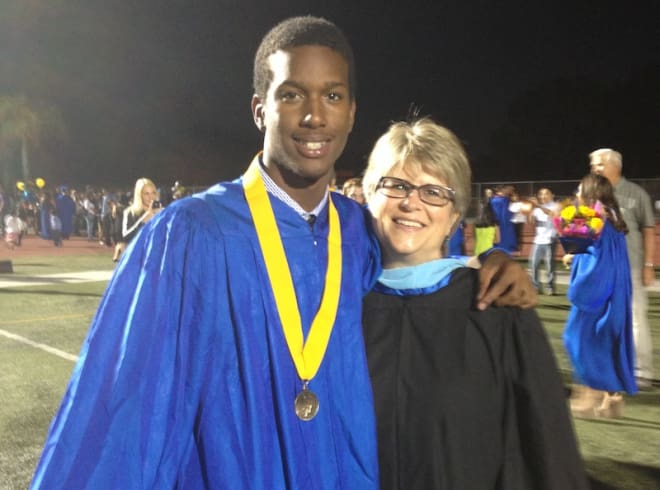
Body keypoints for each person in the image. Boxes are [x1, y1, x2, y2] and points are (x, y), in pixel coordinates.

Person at [31, 16, 535, 489]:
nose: (315, 115)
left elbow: (414, 275)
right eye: (292, 94)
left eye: (332, 95)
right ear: (260, 109)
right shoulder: (189, 235)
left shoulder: (358, 232)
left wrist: (487, 263)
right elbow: (127, 408)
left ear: (351, 112)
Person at [361, 118, 588, 489]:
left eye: (434, 192)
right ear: (370, 196)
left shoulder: (496, 307)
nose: (411, 202)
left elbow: (543, 445)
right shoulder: (333, 305)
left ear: (454, 216)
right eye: (396, 185)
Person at [561, 173, 637, 418]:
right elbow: (599, 250)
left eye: (580, 188)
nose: (578, 192)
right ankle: (612, 398)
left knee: (577, 338)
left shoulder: (596, 215)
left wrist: (581, 278)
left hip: (598, 289)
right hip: (615, 288)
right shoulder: (612, 214)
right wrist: (575, 255)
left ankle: (588, 395)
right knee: (604, 342)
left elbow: (595, 259)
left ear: (591, 191)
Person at [590, 148, 655, 389]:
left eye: (598, 164)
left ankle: (642, 371)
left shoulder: (636, 194)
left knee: (636, 318)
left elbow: (648, 230)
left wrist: (648, 265)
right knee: (603, 319)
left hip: (630, 267)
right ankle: (609, 368)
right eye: (594, 165)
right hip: (601, 268)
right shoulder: (592, 194)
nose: (594, 169)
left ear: (613, 165)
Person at [113, 178, 161, 262]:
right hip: (138, 259)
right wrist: (143, 220)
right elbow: (127, 237)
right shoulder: (130, 212)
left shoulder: (163, 212)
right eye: (146, 193)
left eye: (153, 193)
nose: (151, 197)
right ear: (139, 195)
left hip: (157, 258)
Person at [529, 187, 559, 295]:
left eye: (546, 193)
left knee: (549, 265)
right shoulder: (537, 208)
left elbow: (551, 214)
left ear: (552, 195)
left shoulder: (556, 206)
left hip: (550, 239)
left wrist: (537, 206)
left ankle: (549, 287)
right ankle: (535, 287)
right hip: (538, 240)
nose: (543, 196)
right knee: (534, 264)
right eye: (541, 194)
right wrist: (530, 210)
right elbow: (531, 221)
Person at [489, 184, 517, 252]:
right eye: (509, 189)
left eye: (512, 190)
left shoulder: (503, 199)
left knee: (501, 243)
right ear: (503, 189)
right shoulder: (502, 199)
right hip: (500, 223)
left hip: (502, 223)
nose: (511, 191)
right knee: (500, 242)